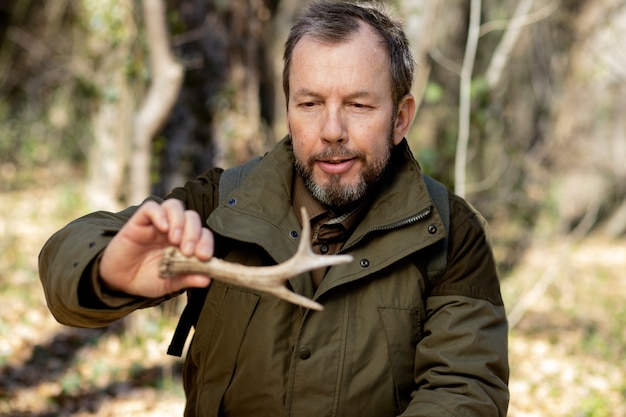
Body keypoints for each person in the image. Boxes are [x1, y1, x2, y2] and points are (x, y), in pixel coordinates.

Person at [39, 1, 509, 416]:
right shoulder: (223, 202)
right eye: (309, 103)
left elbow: (466, 389)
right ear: (287, 109)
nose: (331, 130)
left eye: (359, 105)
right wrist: (106, 273)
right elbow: (67, 255)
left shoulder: (450, 231)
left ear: (400, 118)